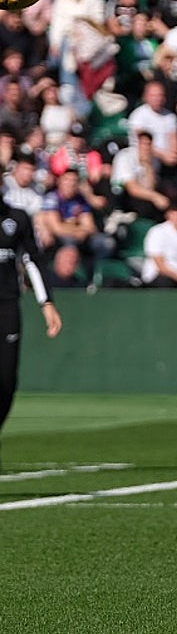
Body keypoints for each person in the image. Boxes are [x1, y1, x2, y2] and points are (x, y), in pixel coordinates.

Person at [0, 187, 62, 448]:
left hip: (6, 305)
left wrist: (46, 302)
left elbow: (33, 260)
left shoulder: (17, 218)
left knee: (6, 380)